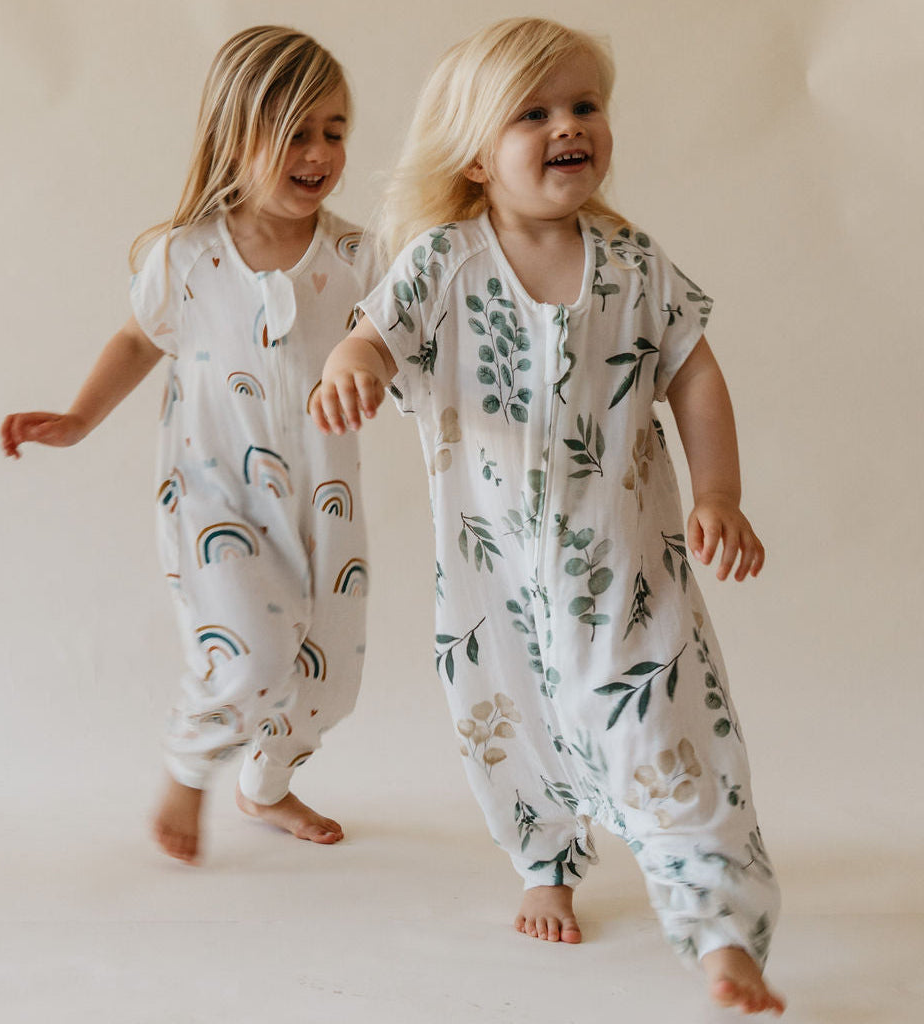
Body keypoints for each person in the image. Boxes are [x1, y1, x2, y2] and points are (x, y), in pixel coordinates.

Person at [311, 17, 784, 1017]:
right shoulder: (442, 261)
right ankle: (544, 861)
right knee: (507, 721)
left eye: (583, 106)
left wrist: (718, 494)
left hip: (629, 571)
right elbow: (372, 336)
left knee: (667, 727)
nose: (568, 126)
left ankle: (720, 930)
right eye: (533, 114)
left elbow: (695, 375)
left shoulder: (634, 263)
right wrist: (350, 369)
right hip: (494, 582)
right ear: (475, 157)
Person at [0, 26, 372, 865]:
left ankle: (265, 787)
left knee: (329, 681)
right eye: (296, 134)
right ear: (236, 139)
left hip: (325, 504)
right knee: (251, 654)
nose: (320, 153)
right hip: (214, 497)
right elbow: (140, 340)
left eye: (335, 131)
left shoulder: (358, 256)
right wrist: (78, 418)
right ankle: (189, 765)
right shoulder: (187, 256)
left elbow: (394, 346)